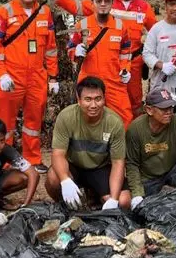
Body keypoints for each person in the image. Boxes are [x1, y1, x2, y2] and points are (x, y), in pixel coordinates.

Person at [48, 0, 156, 116]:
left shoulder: (144, 7)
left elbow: (156, 31)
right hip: (106, 62)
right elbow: (75, 7)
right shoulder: (105, 0)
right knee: (99, 103)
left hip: (132, 62)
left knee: (134, 103)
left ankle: (131, 137)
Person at [0, 0, 58, 173]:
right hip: (12, 75)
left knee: (34, 120)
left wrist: (53, 77)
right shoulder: (4, 12)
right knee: (5, 121)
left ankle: (32, 158)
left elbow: (51, 47)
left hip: (37, 75)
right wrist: (1, 74)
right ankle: (5, 160)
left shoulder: (45, 12)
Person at [46, 76, 130, 210]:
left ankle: (94, 196)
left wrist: (114, 199)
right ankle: (65, 205)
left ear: (104, 98)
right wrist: (65, 180)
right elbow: (58, 154)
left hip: (100, 167)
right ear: (79, 100)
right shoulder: (66, 117)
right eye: (88, 99)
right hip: (74, 165)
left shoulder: (114, 122)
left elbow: (118, 163)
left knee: (123, 202)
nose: (93, 105)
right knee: (53, 178)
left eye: (98, 99)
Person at [126, 87, 176, 209]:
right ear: (149, 110)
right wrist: (137, 193)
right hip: (148, 177)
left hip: (172, 170)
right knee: (145, 207)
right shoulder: (135, 129)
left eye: (171, 108)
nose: (169, 112)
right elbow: (132, 164)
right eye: (164, 109)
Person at [68, 0, 133, 126]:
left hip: (114, 81)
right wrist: (76, 51)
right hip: (88, 81)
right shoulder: (82, 25)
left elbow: (126, 51)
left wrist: (125, 69)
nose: (103, 4)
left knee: (125, 119)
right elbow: (70, 48)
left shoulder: (120, 26)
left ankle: (120, 148)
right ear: (92, 3)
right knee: (87, 121)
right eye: (99, 1)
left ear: (112, 3)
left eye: (107, 0)